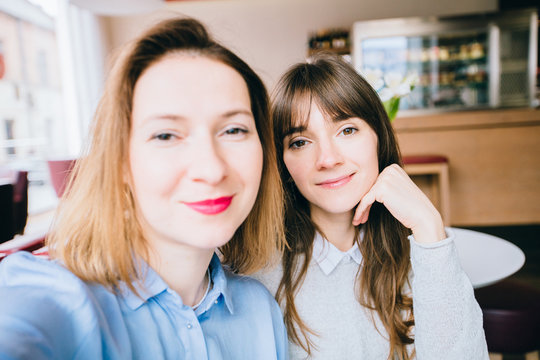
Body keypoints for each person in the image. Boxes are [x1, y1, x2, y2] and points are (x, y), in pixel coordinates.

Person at [0, 18, 288, 359]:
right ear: (121, 162)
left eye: (234, 130)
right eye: (166, 135)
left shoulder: (260, 312)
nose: (212, 169)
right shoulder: (62, 299)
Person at [254, 53, 488, 359]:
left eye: (347, 130)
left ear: (379, 137)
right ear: (282, 163)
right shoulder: (258, 273)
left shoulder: (421, 254)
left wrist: (429, 227)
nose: (327, 159)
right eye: (300, 141)